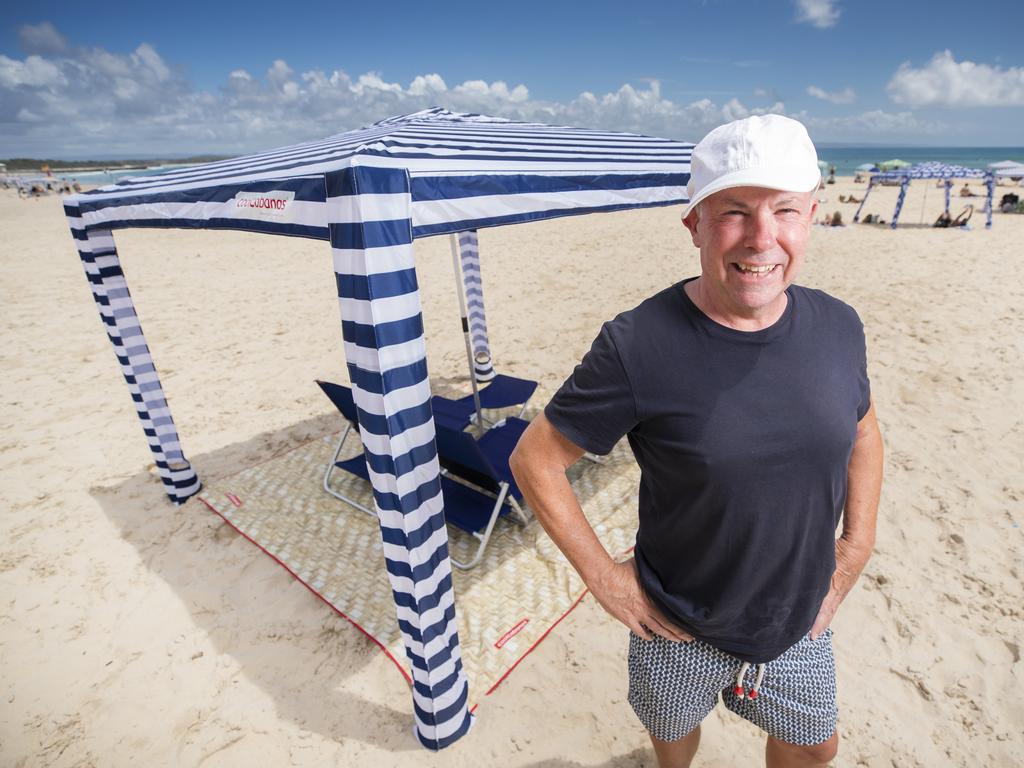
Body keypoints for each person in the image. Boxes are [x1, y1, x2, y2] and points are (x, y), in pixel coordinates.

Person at [510, 114, 884, 768]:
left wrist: (855, 546)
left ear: (813, 217)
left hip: (797, 621)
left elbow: (863, 433)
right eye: (734, 212)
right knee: (673, 733)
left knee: (815, 747)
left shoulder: (839, 326)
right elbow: (535, 459)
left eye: (785, 211)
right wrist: (606, 580)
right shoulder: (637, 345)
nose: (762, 238)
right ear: (695, 225)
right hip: (674, 624)